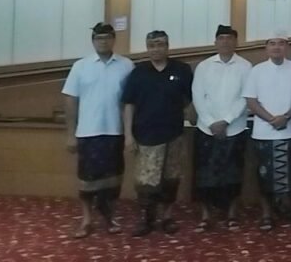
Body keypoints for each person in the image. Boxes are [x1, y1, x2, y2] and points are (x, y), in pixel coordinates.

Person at [61, 22, 134, 239]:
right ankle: (86, 219)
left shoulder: (126, 65)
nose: (103, 42)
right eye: (99, 38)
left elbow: (130, 102)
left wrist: (129, 133)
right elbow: (70, 100)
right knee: (87, 180)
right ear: (93, 41)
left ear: (114, 40)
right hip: (88, 132)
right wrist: (70, 133)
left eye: (107, 37)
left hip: (114, 131)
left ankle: (110, 217)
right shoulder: (80, 66)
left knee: (113, 180)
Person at [122, 30, 193, 237]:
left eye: (160, 44)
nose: (156, 49)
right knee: (146, 182)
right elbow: (129, 105)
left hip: (174, 135)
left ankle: (167, 217)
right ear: (147, 48)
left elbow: (190, 100)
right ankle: (146, 219)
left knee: (171, 179)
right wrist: (128, 135)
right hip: (146, 136)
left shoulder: (182, 70)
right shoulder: (138, 72)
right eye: (152, 45)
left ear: (167, 46)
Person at [244, 33, 291, 232]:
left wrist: (285, 117)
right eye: (272, 43)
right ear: (266, 47)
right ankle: (267, 214)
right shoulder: (257, 70)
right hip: (264, 132)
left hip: (290, 130)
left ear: (287, 47)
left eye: (281, 43)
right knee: (264, 176)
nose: (276, 47)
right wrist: (272, 119)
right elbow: (251, 101)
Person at [192, 24, 251, 232]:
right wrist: (211, 122)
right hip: (206, 129)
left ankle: (232, 214)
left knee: (233, 174)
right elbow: (197, 96)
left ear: (236, 42)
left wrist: (226, 120)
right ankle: (206, 215)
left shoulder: (245, 67)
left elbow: (245, 98)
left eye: (229, 38)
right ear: (215, 42)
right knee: (204, 175)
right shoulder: (204, 66)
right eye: (221, 38)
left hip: (234, 128)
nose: (225, 42)